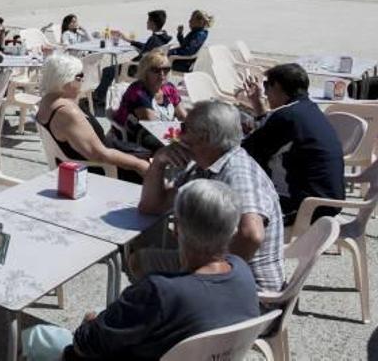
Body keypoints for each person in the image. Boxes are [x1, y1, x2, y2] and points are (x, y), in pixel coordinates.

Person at [24, 179, 259, 361]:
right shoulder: (243, 274)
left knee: (37, 336)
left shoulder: (160, 291)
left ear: (176, 228)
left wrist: (88, 325)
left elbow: (85, 345)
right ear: (232, 231)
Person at [136, 100, 284, 292]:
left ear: (203, 137)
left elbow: (251, 235)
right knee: (139, 260)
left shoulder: (237, 172)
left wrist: (213, 274)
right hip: (214, 267)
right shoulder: (203, 165)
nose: (178, 134)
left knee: (146, 266)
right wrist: (158, 162)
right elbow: (152, 206)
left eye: (184, 127)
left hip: (248, 289)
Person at [242, 63, 345, 226]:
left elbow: (246, 154)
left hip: (303, 208)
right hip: (328, 204)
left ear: (277, 86)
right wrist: (257, 105)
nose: (265, 93)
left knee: (228, 203)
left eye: (266, 85)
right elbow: (270, 137)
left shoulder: (287, 117)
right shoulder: (309, 110)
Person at [36, 54, 150, 182]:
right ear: (64, 80)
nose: (83, 80)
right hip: (97, 172)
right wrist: (138, 165)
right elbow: (99, 154)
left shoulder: (47, 101)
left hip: (72, 163)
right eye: (79, 77)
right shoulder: (68, 112)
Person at [113, 51, 187, 151]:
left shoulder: (169, 88)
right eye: (156, 70)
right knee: (181, 147)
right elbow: (152, 124)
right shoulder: (138, 91)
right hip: (139, 135)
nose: (162, 74)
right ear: (145, 71)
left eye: (166, 69)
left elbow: (183, 116)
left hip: (164, 130)